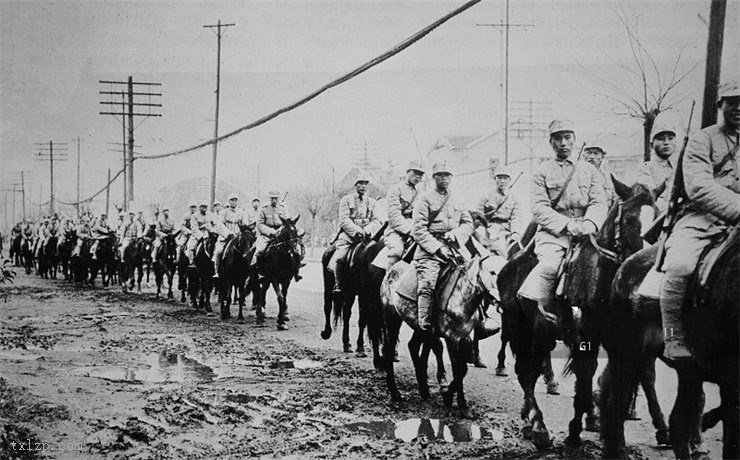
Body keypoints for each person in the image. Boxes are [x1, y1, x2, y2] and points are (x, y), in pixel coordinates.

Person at [659, 79, 740, 361]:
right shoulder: (701, 139)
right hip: (701, 219)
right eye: (733, 101)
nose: (739, 107)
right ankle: (673, 337)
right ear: (721, 104)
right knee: (680, 264)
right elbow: (699, 187)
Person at [517, 119, 607, 326]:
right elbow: (539, 208)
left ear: (574, 139)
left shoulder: (589, 170)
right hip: (554, 235)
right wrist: (567, 225)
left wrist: (591, 223)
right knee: (549, 266)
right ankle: (545, 315)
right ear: (551, 142)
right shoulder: (542, 171)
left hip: (588, 234)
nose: (563, 143)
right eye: (558, 138)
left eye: (567, 137)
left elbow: (598, 202)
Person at [412, 161, 473, 331]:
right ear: (434, 178)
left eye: (447, 175)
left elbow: (468, 224)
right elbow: (418, 230)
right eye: (440, 175)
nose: (444, 178)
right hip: (430, 249)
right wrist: (438, 248)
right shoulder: (424, 199)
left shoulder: (458, 199)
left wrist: (456, 234)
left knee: (475, 276)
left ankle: (479, 318)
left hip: (455, 246)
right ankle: (423, 318)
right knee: (428, 281)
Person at [329, 174, 383, 294]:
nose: (363, 186)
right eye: (361, 183)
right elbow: (343, 219)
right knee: (340, 257)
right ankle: (339, 284)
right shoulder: (346, 200)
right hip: (349, 236)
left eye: (365, 184)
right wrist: (357, 230)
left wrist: (368, 230)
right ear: (355, 185)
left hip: (368, 237)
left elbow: (376, 220)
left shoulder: (372, 202)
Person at [383, 160, 425, 268]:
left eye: (420, 174)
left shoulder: (421, 193)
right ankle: (389, 283)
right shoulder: (395, 190)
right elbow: (394, 217)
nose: (417, 177)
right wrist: (410, 231)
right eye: (415, 172)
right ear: (408, 172)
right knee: (396, 251)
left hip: (416, 229)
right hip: (396, 231)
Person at [476, 165, 525, 256]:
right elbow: (478, 216)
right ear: (495, 179)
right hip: (488, 230)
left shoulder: (513, 198)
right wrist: (482, 230)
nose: (502, 181)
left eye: (505, 178)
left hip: (505, 231)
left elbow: (516, 217)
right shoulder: (486, 196)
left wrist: (515, 233)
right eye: (499, 178)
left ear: (509, 180)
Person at [635, 120, 678, 212]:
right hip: (659, 215)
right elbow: (651, 198)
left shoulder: (680, 167)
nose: (666, 142)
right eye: (661, 139)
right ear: (651, 145)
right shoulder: (645, 168)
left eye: (670, 138)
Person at [212, 194, 243, 277]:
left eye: (235, 200)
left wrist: (241, 234)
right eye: (232, 200)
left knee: (247, 250)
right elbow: (220, 225)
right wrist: (228, 233)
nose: (234, 202)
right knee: (218, 251)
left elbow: (244, 224)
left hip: (238, 237)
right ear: (229, 201)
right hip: (225, 238)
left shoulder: (241, 212)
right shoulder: (223, 212)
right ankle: (217, 271)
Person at [583, 142, 618, 208]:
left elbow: (616, 197)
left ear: (602, 157)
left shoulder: (608, 177)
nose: (592, 157)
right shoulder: (577, 175)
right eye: (589, 153)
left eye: (596, 153)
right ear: (584, 156)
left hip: (606, 214)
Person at [185, 203, 213, 267]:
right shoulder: (194, 216)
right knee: (190, 245)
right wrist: (201, 236)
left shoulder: (211, 215)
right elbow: (194, 228)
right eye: (202, 207)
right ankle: (191, 262)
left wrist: (213, 231)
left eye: (205, 207)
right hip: (198, 233)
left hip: (209, 232)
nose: (204, 208)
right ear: (199, 207)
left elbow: (215, 224)